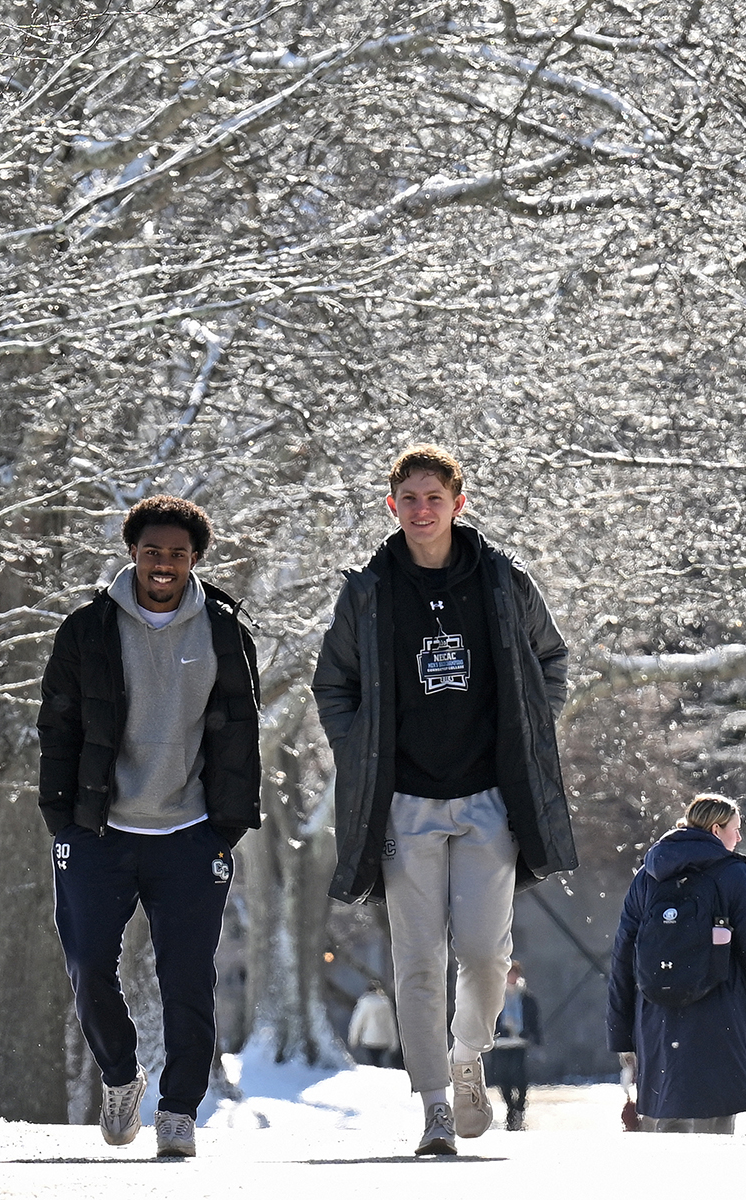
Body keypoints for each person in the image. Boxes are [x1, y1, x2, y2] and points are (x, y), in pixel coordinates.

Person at [314, 444, 576, 1156]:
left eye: (434, 498)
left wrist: (529, 728)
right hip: (403, 803)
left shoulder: (500, 580)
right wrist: (360, 747)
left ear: (460, 504)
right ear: (390, 506)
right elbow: (333, 684)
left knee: (487, 954)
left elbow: (551, 658)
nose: (421, 510)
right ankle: (434, 1105)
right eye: (409, 499)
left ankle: (468, 1059)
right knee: (418, 960)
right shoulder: (369, 591)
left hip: (489, 797)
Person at [38, 495, 261, 1159]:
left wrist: (226, 828)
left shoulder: (223, 631)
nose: (163, 564)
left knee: (189, 978)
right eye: (152, 551)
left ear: (195, 559)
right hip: (98, 832)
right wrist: (62, 820)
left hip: (190, 834)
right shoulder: (86, 630)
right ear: (132, 553)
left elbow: (242, 734)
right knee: (88, 966)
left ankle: (179, 1111)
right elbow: (58, 727)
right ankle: (119, 1075)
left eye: (177, 553)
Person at [607, 794, 746, 1134]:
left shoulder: (647, 876)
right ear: (717, 830)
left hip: (657, 1021)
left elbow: (623, 957)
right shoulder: (735, 876)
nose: (740, 838)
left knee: (665, 1124)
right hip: (723, 1018)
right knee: (714, 1131)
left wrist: (622, 1033)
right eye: (736, 829)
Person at [487, 961, 543, 1131]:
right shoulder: (495, 995)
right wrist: (497, 1031)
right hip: (500, 1043)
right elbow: (490, 1017)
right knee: (503, 1078)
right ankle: (511, 1107)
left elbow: (533, 1017)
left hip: (519, 1042)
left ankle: (519, 1106)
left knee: (520, 1077)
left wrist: (533, 1035)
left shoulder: (525, 996)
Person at [348, 980, 401, 1068]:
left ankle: (375, 1075)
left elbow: (358, 1021)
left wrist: (353, 1039)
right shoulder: (386, 1003)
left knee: (373, 1060)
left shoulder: (365, 1002)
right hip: (384, 1039)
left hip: (369, 1039)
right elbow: (391, 1023)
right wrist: (394, 1042)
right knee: (378, 1060)